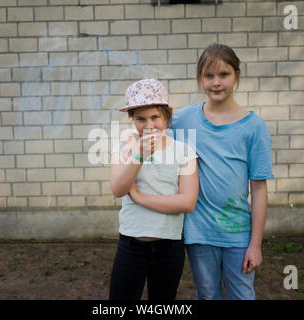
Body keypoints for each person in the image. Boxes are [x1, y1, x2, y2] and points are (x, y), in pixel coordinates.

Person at [172, 43, 274, 300]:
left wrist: (255, 244)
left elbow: (259, 189)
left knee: (242, 294)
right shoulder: (184, 120)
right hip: (198, 232)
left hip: (238, 232)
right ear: (200, 79)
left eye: (223, 74)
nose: (216, 82)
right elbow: (151, 122)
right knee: (207, 294)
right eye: (208, 75)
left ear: (237, 75)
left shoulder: (253, 126)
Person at [109, 79, 199, 300]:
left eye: (155, 117)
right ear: (132, 118)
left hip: (169, 246)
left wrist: (139, 197)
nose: (148, 125)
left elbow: (187, 202)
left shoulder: (184, 151)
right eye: (140, 118)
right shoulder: (125, 147)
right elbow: (118, 189)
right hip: (131, 243)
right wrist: (138, 155)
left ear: (167, 116)